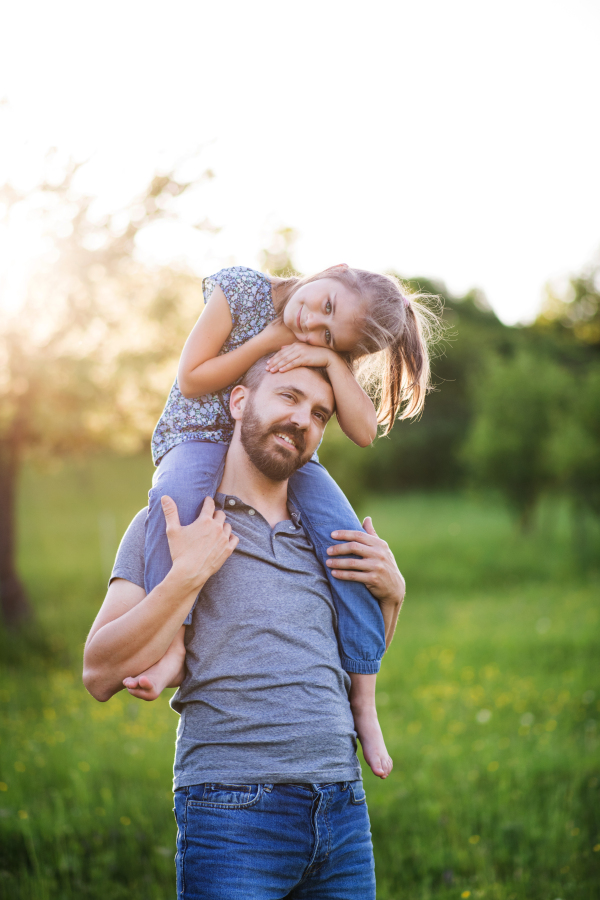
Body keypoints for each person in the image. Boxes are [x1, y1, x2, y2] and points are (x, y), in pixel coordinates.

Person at [83, 360, 405, 899]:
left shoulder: (330, 540)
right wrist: (184, 577)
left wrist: (392, 597)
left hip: (342, 808)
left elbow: (350, 661)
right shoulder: (170, 524)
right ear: (238, 402)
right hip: (231, 815)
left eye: (319, 413)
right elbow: (98, 672)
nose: (302, 419)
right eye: (288, 397)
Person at [138, 264, 438, 778]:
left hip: (275, 445)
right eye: (325, 306)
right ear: (332, 271)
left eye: (327, 333)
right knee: (170, 502)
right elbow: (192, 380)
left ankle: (362, 696)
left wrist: (327, 357)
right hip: (197, 435)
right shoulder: (241, 292)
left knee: (350, 542)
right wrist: (271, 339)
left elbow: (364, 432)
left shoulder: (322, 347)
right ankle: (173, 647)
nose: (311, 325)